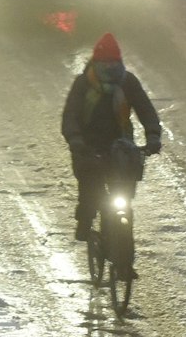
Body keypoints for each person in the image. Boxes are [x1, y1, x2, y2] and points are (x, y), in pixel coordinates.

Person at [61, 33, 161, 241]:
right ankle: (85, 220)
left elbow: (146, 110)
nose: (109, 67)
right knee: (90, 189)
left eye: (112, 62)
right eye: (104, 62)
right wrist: (76, 140)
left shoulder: (128, 82)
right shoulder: (83, 84)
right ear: (96, 62)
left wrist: (152, 135)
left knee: (124, 192)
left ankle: (124, 256)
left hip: (121, 147)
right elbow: (70, 115)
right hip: (88, 147)